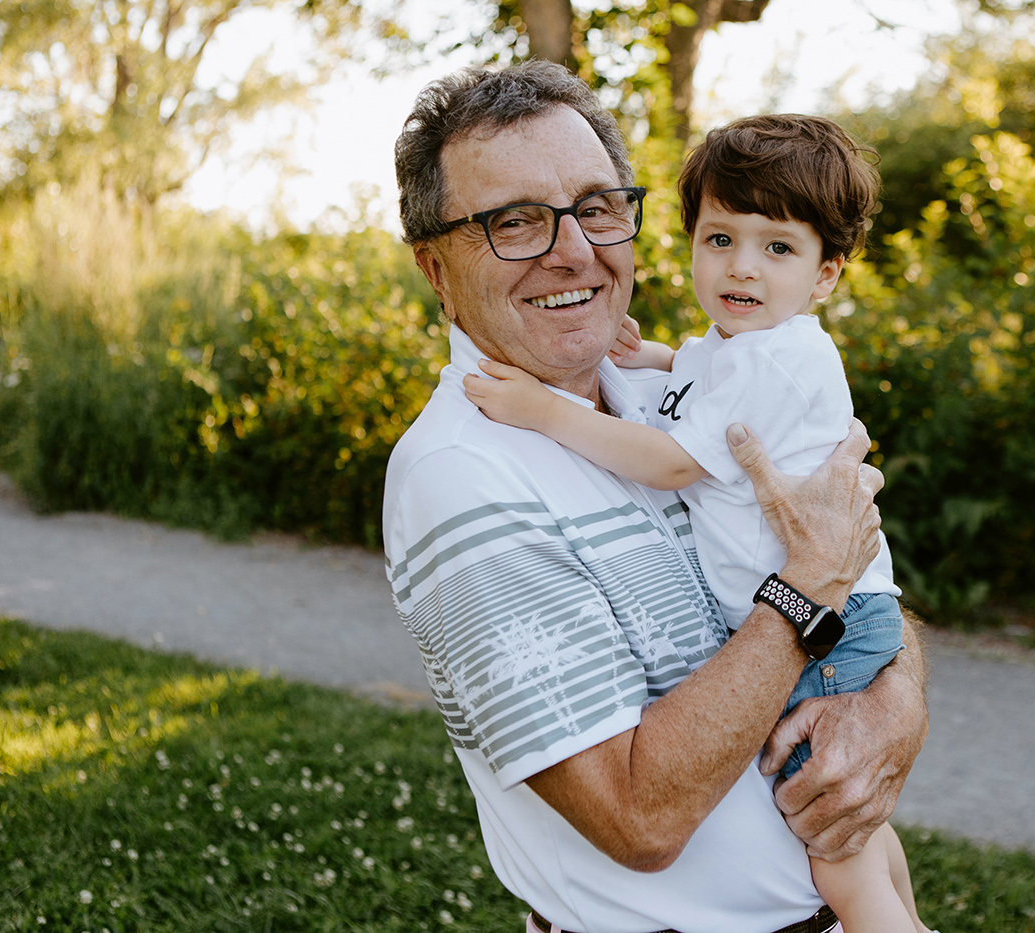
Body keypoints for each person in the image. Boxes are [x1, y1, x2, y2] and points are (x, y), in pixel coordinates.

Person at [382, 59, 929, 933]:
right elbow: (639, 818)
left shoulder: (654, 397)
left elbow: (854, 553)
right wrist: (808, 591)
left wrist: (894, 698)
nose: (574, 249)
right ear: (438, 270)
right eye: (513, 222)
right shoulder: (464, 474)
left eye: (597, 207)